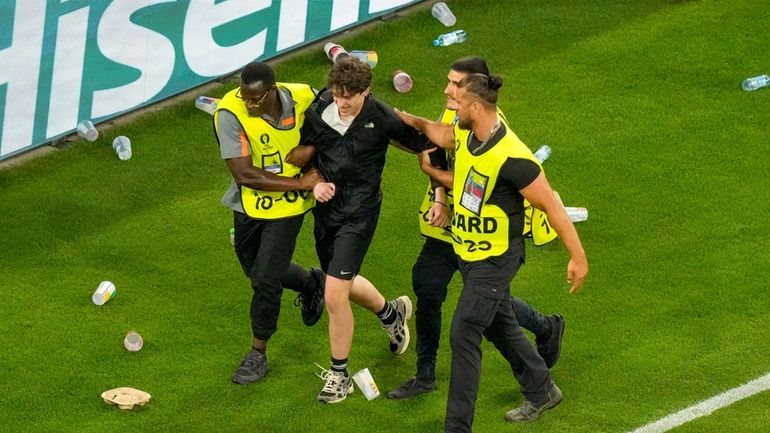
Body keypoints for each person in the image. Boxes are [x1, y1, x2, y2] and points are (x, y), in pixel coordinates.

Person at [396, 72, 588, 430]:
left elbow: (553, 208)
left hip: (496, 259)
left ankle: (457, 427)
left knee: (463, 331)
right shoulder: (469, 133)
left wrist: (578, 257)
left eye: (457, 103)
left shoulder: (513, 157)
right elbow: (440, 134)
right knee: (499, 325)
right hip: (467, 252)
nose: (450, 106)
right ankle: (542, 389)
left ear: (475, 107)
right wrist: (407, 119)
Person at [298, 57, 434, 403]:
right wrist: (312, 184)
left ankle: (339, 375)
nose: (342, 102)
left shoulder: (381, 116)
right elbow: (308, 153)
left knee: (333, 295)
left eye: (350, 96)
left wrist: (441, 194)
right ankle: (391, 312)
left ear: (366, 91)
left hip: (359, 216)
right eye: (337, 94)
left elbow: (423, 144)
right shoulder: (319, 110)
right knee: (337, 282)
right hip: (326, 212)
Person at [213, 61, 326, 385]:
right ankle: (310, 283)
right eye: (245, 97)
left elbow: (334, 127)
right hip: (251, 203)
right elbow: (244, 174)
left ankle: (257, 353)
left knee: (264, 278)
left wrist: (312, 148)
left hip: (287, 209)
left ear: (272, 91)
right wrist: (301, 184)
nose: (249, 103)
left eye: (256, 98)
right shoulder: (229, 113)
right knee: (255, 268)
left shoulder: (305, 97)